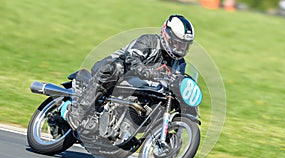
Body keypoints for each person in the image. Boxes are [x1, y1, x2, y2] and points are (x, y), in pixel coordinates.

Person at [63, 14, 195, 135]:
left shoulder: (180, 63)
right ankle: (78, 112)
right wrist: (145, 71)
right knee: (115, 67)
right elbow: (131, 58)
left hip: (139, 90)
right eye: (177, 43)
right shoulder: (149, 42)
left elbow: (176, 81)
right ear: (167, 36)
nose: (180, 48)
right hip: (116, 73)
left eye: (184, 45)